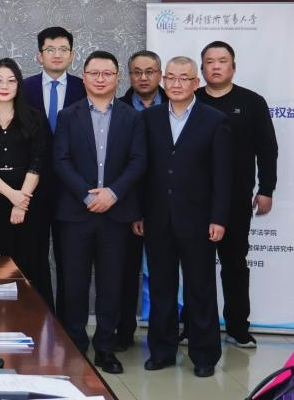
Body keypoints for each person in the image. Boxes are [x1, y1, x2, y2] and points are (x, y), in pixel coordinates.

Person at [136, 56, 231, 378]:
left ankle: (204, 355)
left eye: (184, 78)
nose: (176, 84)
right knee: (161, 288)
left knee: (200, 289)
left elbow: (223, 176)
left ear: (196, 83)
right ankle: (162, 351)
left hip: (199, 220)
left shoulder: (214, 120)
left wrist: (219, 218)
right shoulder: (148, 118)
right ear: (163, 81)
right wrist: (139, 212)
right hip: (157, 218)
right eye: (171, 78)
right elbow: (141, 170)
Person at [53, 51, 147, 374]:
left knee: (111, 284)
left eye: (107, 73)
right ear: (84, 76)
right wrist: (86, 195)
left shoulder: (132, 117)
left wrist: (113, 193)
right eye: (94, 73)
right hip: (76, 214)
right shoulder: (68, 115)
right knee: (74, 284)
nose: (100, 79)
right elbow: (60, 160)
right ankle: (76, 344)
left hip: (115, 214)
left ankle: (106, 348)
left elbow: (139, 161)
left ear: (117, 78)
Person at [196, 41, 277, 348]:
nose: (216, 66)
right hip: (195, 200)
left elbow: (267, 148)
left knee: (234, 264)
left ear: (233, 66)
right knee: (197, 267)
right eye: (209, 61)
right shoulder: (191, 99)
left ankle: (238, 328)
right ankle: (194, 327)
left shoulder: (252, 102)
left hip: (236, 198)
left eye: (222, 60)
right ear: (201, 68)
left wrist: (266, 189)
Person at [22, 26, 86, 310]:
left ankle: (67, 322)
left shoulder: (84, 88)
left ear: (72, 55)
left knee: (70, 259)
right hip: (32, 187)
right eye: (50, 50)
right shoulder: (24, 88)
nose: (57, 55)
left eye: (63, 50)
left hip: (72, 189)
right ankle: (38, 314)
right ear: (40, 55)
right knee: (33, 256)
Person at [0, 59, 46, 285]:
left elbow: (37, 162)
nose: (4, 86)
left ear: (19, 85)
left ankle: (30, 309)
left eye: (11, 81)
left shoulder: (34, 117)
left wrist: (20, 201)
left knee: (27, 264)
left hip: (27, 203)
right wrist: (12, 195)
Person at [114, 50, 167, 351]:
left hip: (168, 206)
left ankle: (164, 336)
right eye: (137, 72)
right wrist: (135, 209)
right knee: (124, 272)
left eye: (150, 71)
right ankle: (124, 331)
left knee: (165, 274)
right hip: (127, 205)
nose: (143, 77)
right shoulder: (117, 109)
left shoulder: (177, 106)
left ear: (160, 74)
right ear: (129, 75)